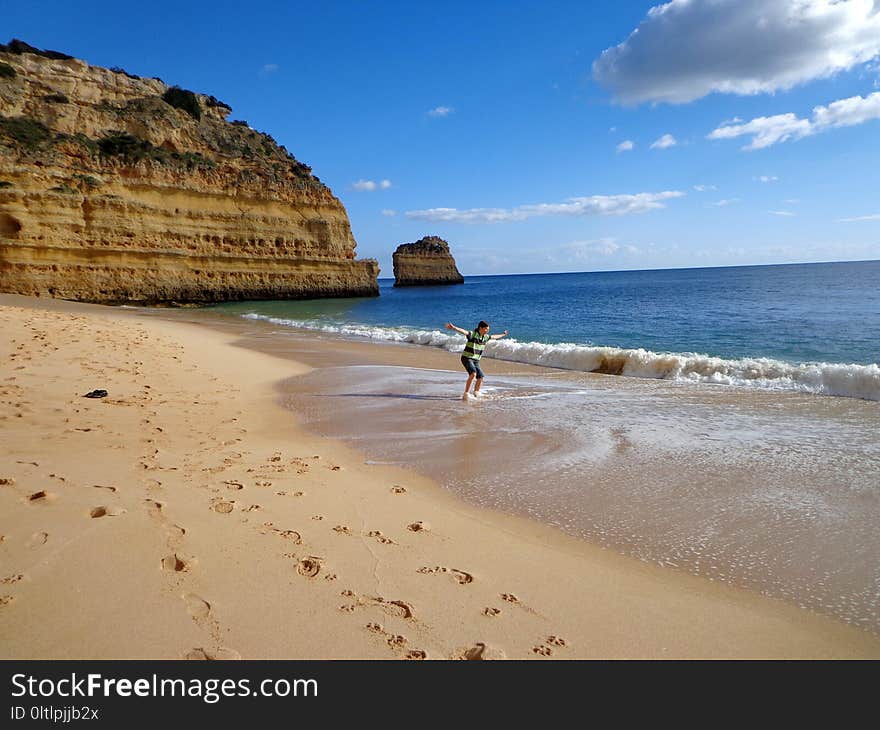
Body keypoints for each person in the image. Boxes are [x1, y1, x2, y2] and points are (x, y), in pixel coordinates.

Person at [445, 320, 509, 399]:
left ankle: (476, 392)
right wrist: (454, 328)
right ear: (480, 328)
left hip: (476, 360)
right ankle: (466, 393)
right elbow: (464, 332)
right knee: (473, 374)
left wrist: (503, 334)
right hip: (467, 358)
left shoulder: (485, 337)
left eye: (488, 329)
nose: (487, 331)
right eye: (486, 329)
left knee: (480, 376)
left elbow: (494, 336)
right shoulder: (473, 334)